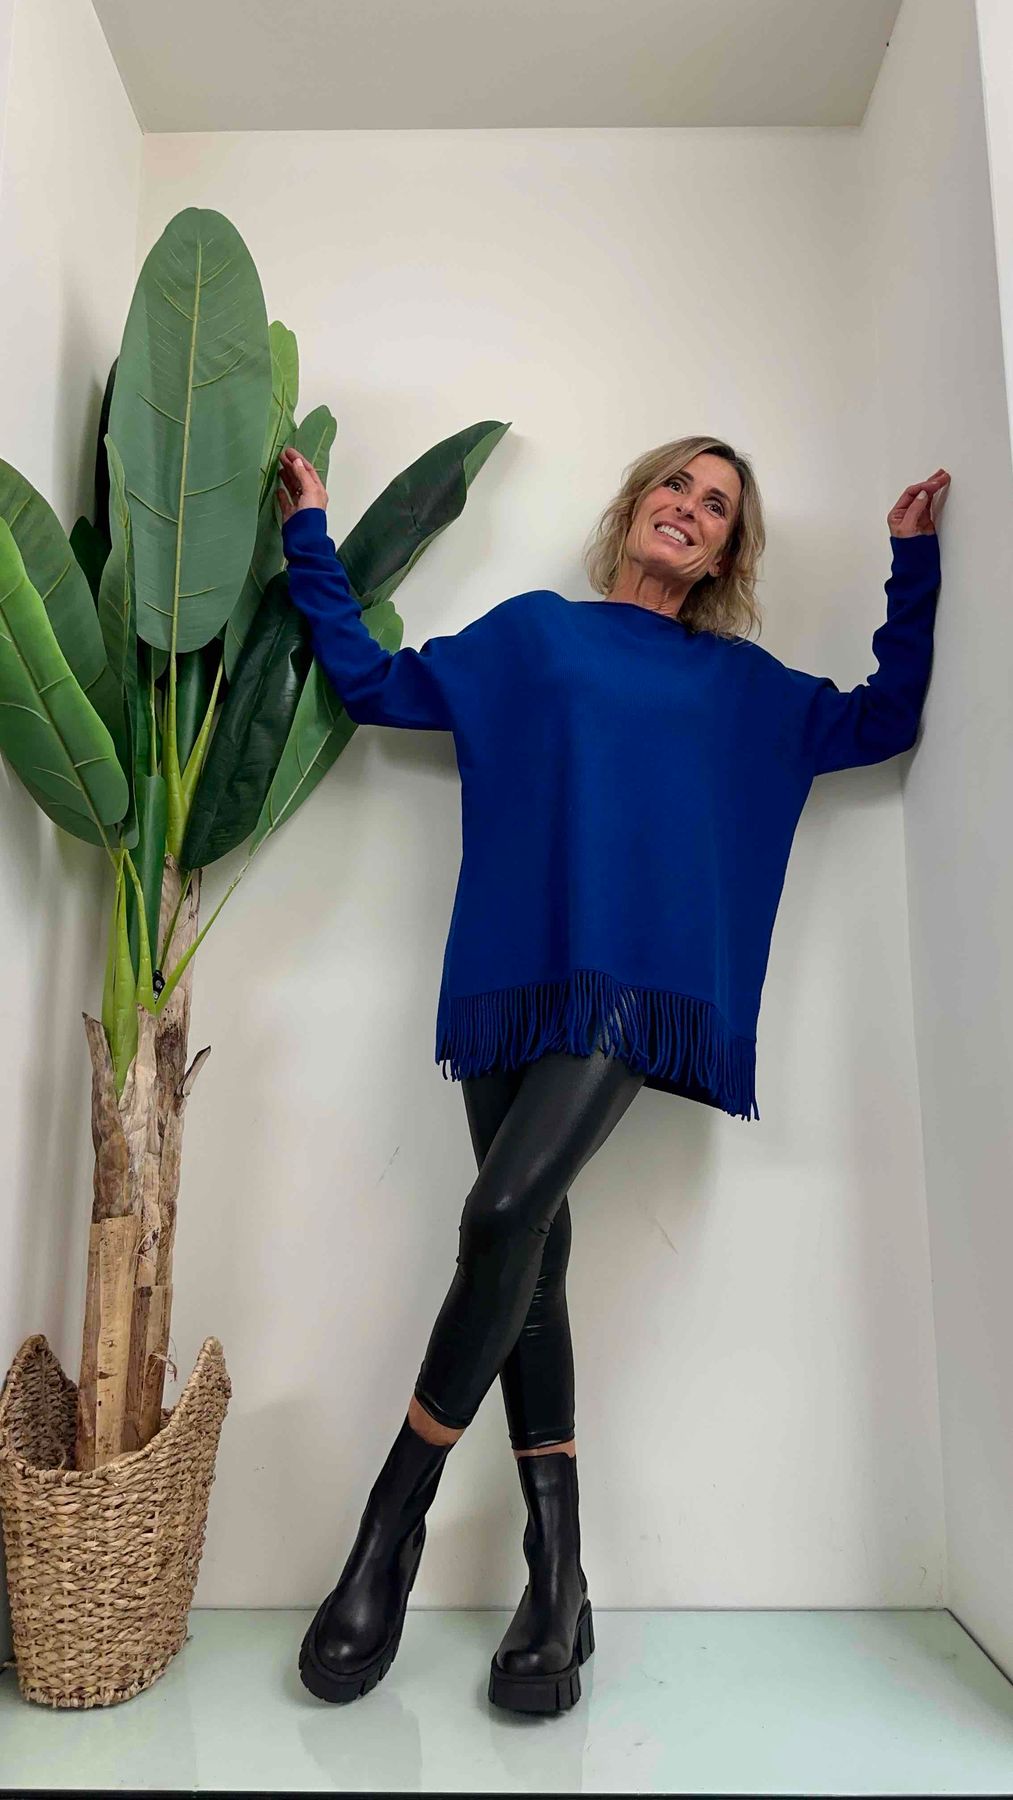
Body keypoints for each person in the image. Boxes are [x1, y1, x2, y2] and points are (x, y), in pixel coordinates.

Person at [276, 438, 949, 1713]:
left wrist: (908, 564)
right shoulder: (533, 636)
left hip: (630, 990)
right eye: (676, 486)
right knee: (528, 1262)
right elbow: (369, 684)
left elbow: (880, 718)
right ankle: (558, 1580)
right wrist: (311, 536)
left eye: (716, 506)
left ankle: (386, 1528)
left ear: (726, 553)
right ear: (635, 503)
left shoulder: (733, 684)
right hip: (510, 975)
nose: (688, 509)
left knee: (497, 1215)